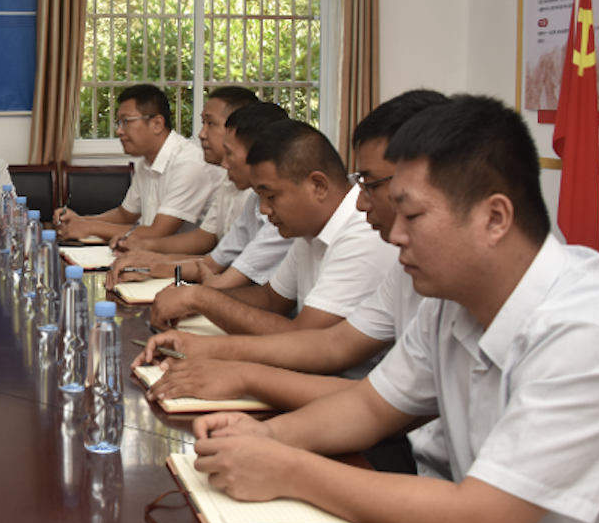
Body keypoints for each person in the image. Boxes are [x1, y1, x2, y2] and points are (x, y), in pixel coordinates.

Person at [189, 95, 599, 523]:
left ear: (494, 217)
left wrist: (286, 468)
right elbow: (370, 406)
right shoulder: (449, 301)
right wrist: (263, 436)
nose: (394, 233)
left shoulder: (589, 331)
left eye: (413, 215)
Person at [134, 90, 448, 410]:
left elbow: (321, 349)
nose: (362, 202)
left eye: (372, 185)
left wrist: (232, 360)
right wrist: (211, 345)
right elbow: (320, 338)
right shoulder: (332, 234)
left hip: (336, 398)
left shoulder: (369, 235)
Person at [150, 118, 396, 336]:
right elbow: (270, 299)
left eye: (272, 196)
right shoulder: (310, 227)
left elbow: (305, 340)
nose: (266, 210)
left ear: (318, 186)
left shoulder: (364, 230)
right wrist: (196, 300)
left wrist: (200, 298)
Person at [109, 101, 293, 289]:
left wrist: (194, 289)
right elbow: (211, 264)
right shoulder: (253, 200)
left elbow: (225, 283)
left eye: (210, 123)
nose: (224, 165)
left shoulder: (283, 214)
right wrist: (149, 265)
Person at [55, 83, 224, 244]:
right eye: (119, 122)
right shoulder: (146, 162)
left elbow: (157, 233)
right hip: (151, 254)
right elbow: (125, 215)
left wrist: (89, 227)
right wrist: (79, 221)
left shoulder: (189, 164)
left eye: (126, 121)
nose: (119, 131)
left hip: (184, 259)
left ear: (157, 124)